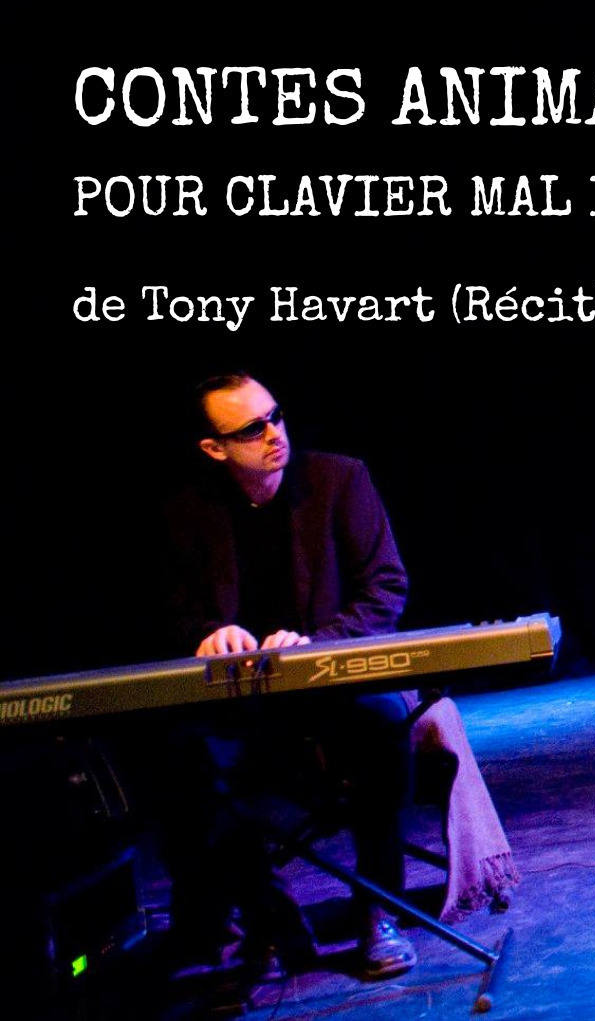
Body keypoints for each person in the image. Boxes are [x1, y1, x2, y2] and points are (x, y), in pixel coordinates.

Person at [160, 372, 419, 975]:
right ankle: (268, 917)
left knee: (383, 724)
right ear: (215, 448)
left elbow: (385, 587)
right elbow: (173, 612)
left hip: (332, 686)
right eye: (252, 429)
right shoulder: (188, 513)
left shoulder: (338, 479)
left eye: (275, 415)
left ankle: (377, 910)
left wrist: (315, 646)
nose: (273, 433)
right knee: (177, 755)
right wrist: (209, 633)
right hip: (240, 701)